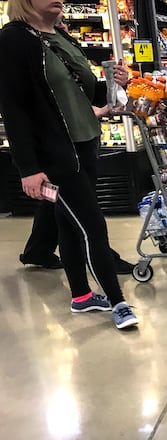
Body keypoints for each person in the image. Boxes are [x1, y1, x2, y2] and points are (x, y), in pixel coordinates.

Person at [0, 0, 139, 329]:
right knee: (93, 225)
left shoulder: (62, 37)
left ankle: (81, 297)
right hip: (55, 154)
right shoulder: (13, 40)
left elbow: (92, 94)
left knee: (68, 223)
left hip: (86, 143)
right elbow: (13, 109)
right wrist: (28, 168)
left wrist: (118, 83)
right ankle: (117, 302)